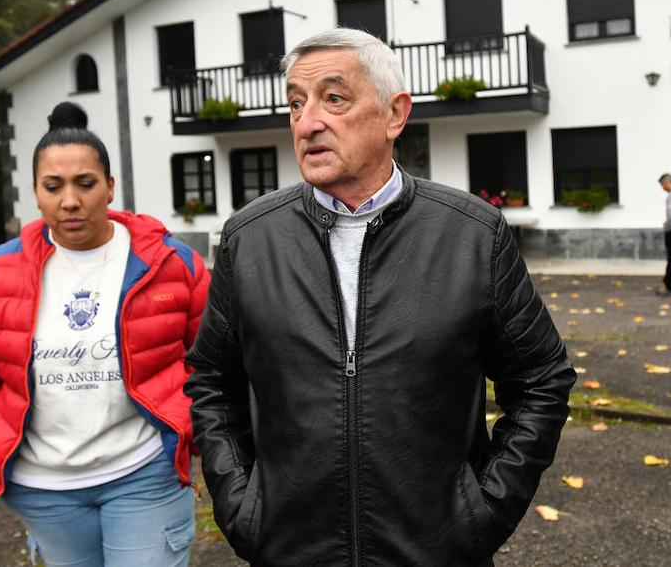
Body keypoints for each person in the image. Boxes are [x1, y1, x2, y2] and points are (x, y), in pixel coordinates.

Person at [185, 29, 575, 565]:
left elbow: (540, 380)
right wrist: (244, 508)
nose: (308, 122)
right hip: (291, 550)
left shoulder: (472, 234)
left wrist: (482, 511)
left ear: (394, 114)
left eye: (334, 98)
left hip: (435, 551)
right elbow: (211, 382)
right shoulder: (250, 240)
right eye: (296, 103)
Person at [0, 102, 208, 567]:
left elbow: (211, 360)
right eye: (54, 187)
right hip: (44, 489)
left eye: (85, 184)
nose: (70, 200)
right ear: (36, 193)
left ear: (109, 186)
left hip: (143, 473)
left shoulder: (171, 265)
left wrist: (187, 429)